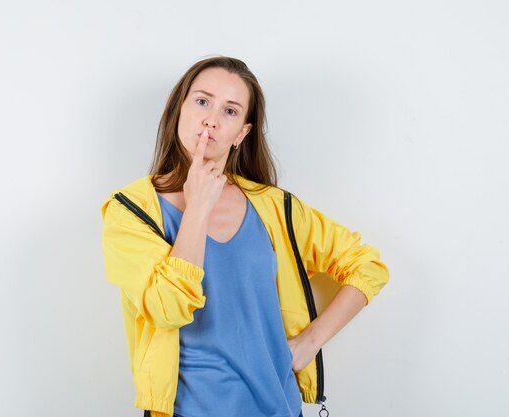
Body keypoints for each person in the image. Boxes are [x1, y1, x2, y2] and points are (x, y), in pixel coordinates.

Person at [101, 56, 389, 417]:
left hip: (279, 409)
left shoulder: (274, 207)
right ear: (179, 109)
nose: (211, 119)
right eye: (202, 101)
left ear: (242, 133)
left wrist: (308, 343)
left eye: (231, 111)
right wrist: (198, 207)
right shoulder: (129, 211)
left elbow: (368, 266)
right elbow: (167, 310)